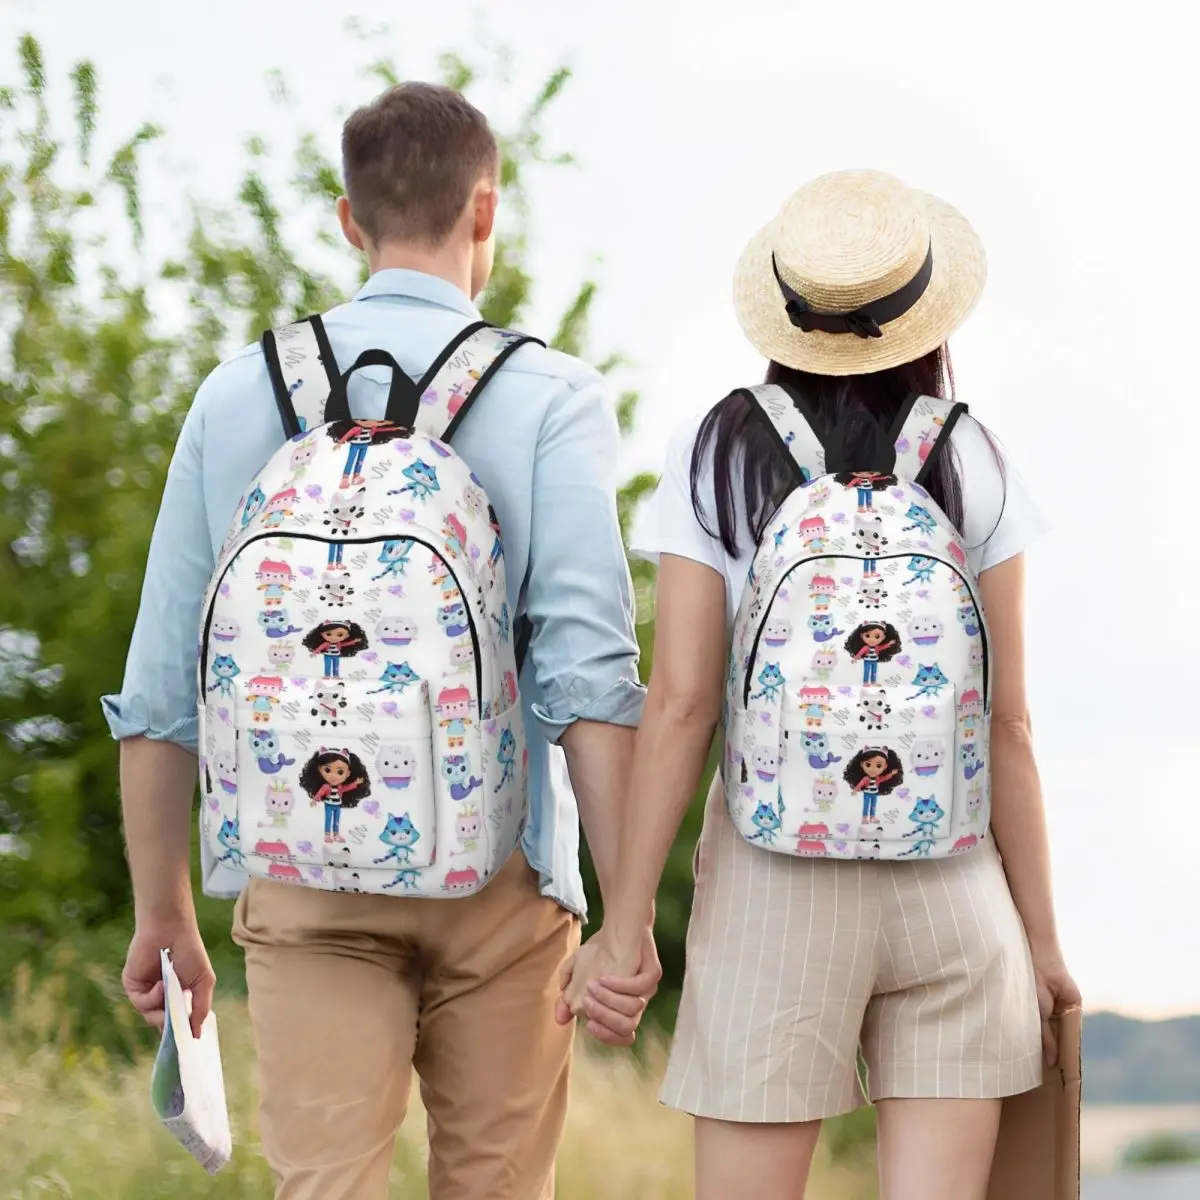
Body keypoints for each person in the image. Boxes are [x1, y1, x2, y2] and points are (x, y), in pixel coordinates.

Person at [105, 81, 660, 1200]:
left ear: (349, 219)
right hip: (503, 875)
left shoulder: (238, 393)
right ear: (485, 211)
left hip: (300, 869)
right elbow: (589, 680)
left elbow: (163, 682)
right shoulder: (551, 395)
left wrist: (162, 911)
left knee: (325, 1185)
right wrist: (627, 913)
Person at [560, 169, 1081, 1200]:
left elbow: (682, 705)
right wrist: (1043, 942)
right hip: (955, 886)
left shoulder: (720, 450)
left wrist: (626, 925)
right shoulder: (972, 454)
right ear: (926, 313)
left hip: (774, 889)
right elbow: (1010, 723)